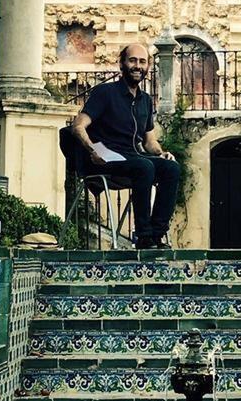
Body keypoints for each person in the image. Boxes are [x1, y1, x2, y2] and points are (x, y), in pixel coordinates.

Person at [72, 43, 180, 249]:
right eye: (132, 60)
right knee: (144, 166)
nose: (137, 66)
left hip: (132, 157)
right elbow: (78, 125)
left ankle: (157, 235)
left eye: (142, 62)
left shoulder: (145, 100)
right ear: (121, 64)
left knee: (171, 168)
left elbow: (149, 141)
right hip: (105, 157)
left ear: (148, 67)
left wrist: (161, 153)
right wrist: (93, 149)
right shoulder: (105, 93)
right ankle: (143, 236)